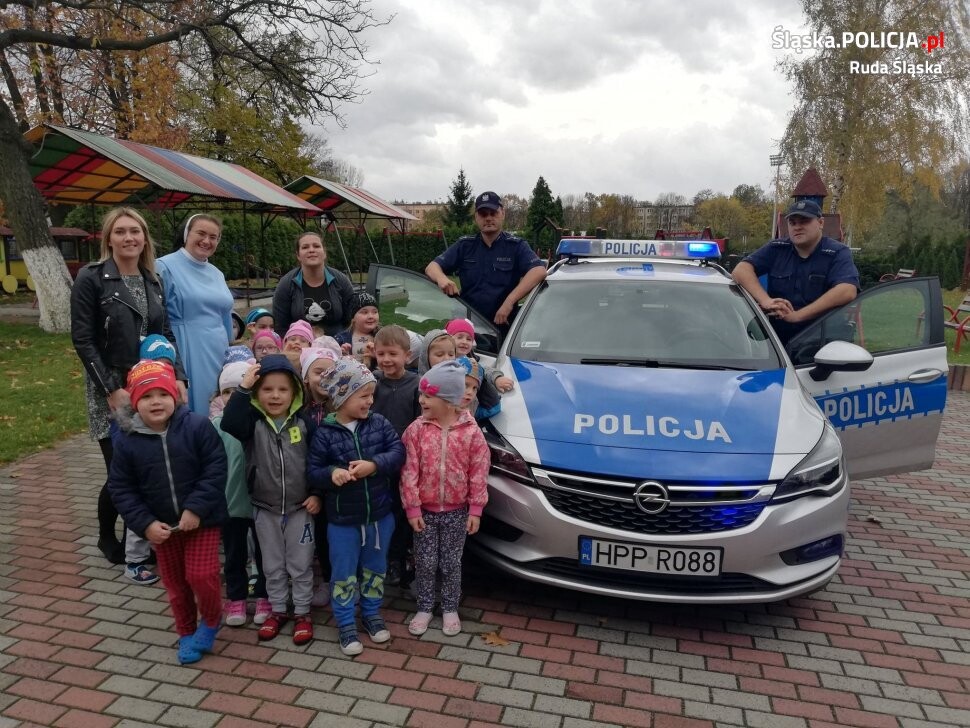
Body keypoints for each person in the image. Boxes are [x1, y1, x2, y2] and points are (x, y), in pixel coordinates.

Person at [70, 207, 187, 570]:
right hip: (112, 386)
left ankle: (142, 538)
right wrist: (110, 389)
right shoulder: (91, 278)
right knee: (120, 470)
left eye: (135, 231)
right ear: (109, 239)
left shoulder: (153, 280)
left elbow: (165, 333)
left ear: (144, 238)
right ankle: (107, 535)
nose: (128, 238)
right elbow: (83, 339)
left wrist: (177, 375)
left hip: (151, 384)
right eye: (120, 231)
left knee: (148, 465)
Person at [107, 360, 228, 665]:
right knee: (176, 585)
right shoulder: (127, 441)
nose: (156, 401)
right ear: (135, 402)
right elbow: (121, 488)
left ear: (175, 396)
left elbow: (215, 469)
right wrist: (145, 524)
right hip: (161, 527)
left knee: (202, 575)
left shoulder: (197, 426)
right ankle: (186, 631)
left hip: (202, 520)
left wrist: (195, 509)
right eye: (147, 396)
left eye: (163, 394)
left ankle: (211, 619)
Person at [306, 358, 405, 656]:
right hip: (342, 521)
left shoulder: (379, 423)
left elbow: (398, 452)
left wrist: (374, 465)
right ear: (342, 397)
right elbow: (312, 472)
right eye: (363, 395)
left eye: (371, 395)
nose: (370, 401)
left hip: (379, 517)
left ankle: (371, 613)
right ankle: (346, 622)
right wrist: (331, 474)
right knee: (344, 573)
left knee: (375, 569)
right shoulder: (324, 433)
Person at [220, 354, 319, 645]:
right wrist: (243, 388)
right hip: (265, 509)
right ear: (257, 393)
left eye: (283, 389)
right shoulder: (252, 424)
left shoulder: (304, 424)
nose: (275, 395)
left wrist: (316, 493)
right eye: (267, 389)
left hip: (301, 509)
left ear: (295, 392)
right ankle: (278, 610)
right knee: (272, 565)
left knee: (300, 564)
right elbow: (229, 423)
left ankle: (302, 612)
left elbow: (317, 461)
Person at [400, 360, 489, 637]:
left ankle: (450, 607)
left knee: (451, 562)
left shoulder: (471, 432)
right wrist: (413, 508)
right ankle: (425, 607)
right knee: (425, 562)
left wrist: (475, 509)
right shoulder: (416, 430)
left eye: (428, 395)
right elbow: (409, 472)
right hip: (424, 512)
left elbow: (479, 471)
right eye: (421, 394)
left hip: (457, 511)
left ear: (448, 400)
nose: (421, 400)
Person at [732, 200, 860, 345]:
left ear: (821, 223)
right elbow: (741, 270)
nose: (797, 227)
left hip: (823, 341)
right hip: (779, 343)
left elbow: (847, 290)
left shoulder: (837, 252)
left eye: (804, 221)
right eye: (792, 223)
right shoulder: (777, 249)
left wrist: (797, 316)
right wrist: (766, 301)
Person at [425, 191, 546, 329]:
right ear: (476, 217)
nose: (488, 218)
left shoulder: (516, 246)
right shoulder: (465, 245)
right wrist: (442, 279)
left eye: (493, 213)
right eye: (483, 214)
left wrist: (509, 302)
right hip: (467, 327)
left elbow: (539, 271)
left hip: (502, 325)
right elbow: (431, 268)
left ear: (503, 213)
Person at [211, 361, 272, 629]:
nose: (233, 397)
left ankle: (264, 595)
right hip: (230, 503)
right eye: (227, 392)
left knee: (264, 553)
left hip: (260, 502)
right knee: (234, 554)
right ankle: (236, 597)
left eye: (240, 390)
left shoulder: (261, 422)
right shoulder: (216, 425)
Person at [156, 214, 235, 415]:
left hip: (219, 350)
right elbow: (157, 316)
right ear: (186, 234)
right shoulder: (164, 266)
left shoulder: (217, 273)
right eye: (201, 233)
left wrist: (231, 350)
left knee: (220, 406)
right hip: (187, 348)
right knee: (197, 410)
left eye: (213, 237)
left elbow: (225, 315)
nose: (207, 241)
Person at [371, 325, 422, 586]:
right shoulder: (372, 381)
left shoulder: (416, 384)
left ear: (407, 355)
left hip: (405, 461)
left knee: (401, 512)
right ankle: (379, 557)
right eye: (381, 354)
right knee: (380, 509)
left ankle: (398, 558)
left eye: (393, 354)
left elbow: (419, 423)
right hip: (377, 459)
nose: (386, 360)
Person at [273, 231, 356, 337]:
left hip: (338, 342)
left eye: (316, 246)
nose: (311, 250)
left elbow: (353, 319)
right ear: (298, 255)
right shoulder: (286, 284)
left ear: (324, 253)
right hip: (300, 344)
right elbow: (280, 327)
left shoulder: (341, 281)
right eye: (305, 247)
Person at [335, 292, 380, 367]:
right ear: (353, 318)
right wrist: (341, 356)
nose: (371, 316)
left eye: (375, 312)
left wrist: (379, 356)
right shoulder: (340, 339)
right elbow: (329, 363)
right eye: (364, 312)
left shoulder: (384, 336)